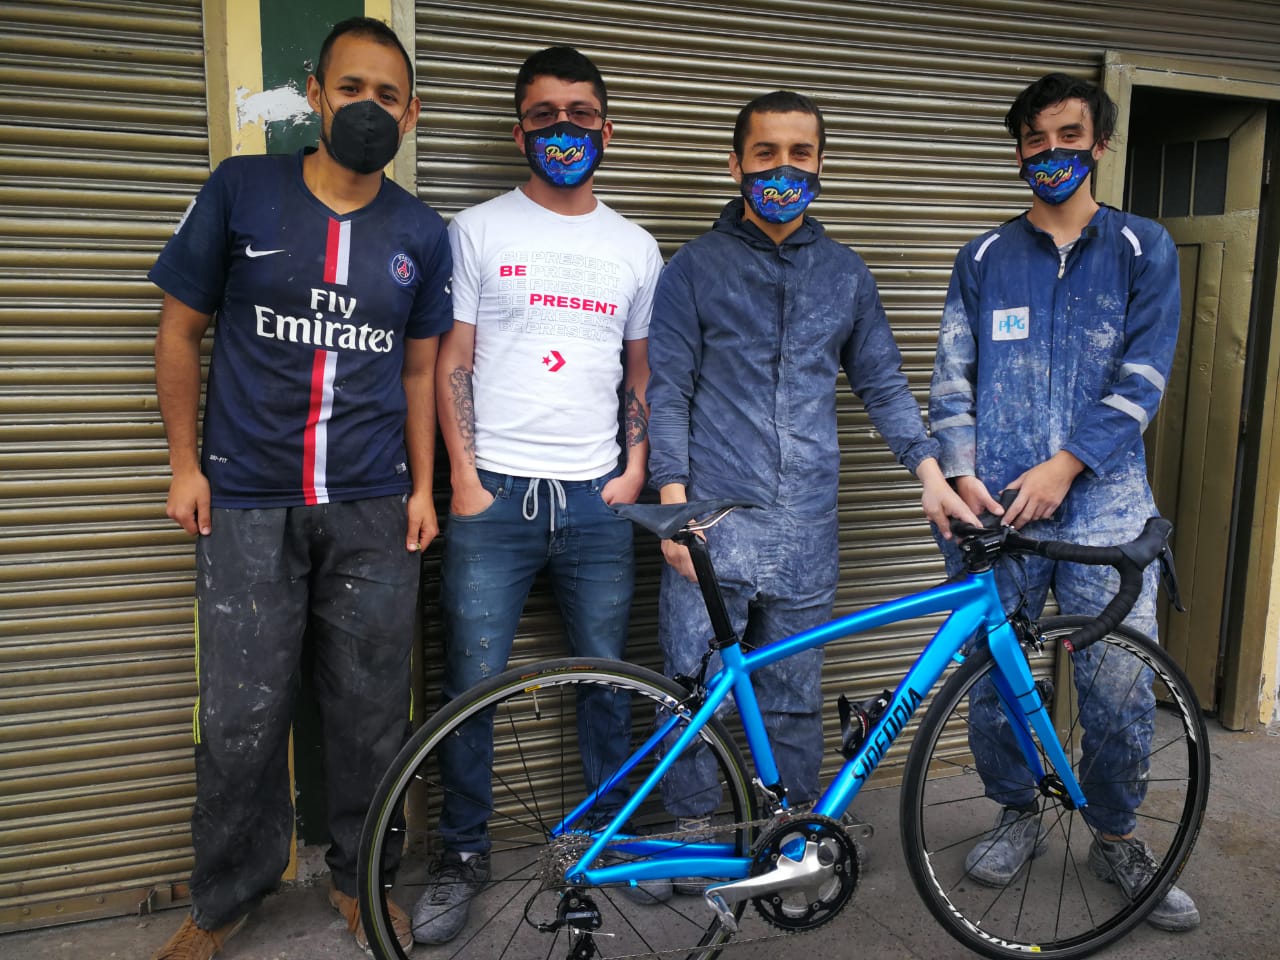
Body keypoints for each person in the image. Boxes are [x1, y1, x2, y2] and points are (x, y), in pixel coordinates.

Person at [146, 18, 452, 960]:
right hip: (247, 501)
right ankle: (225, 897)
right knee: (239, 717)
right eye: (352, 89)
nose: (369, 109)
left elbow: (419, 373)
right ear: (316, 93)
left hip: (373, 505)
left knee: (370, 713)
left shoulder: (421, 232)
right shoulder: (241, 190)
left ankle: (360, 880)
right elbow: (178, 332)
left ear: (410, 113)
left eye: (388, 96)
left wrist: (424, 488)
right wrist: (185, 467)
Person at [646, 91, 978, 852]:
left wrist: (929, 472)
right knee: (692, 690)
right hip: (713, 524)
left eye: (800, 154)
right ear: (736, 164)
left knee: (793, 693)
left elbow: (882, 385)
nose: (783, 169)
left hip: (806, 529)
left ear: (822, 163)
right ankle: (693, 834)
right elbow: (667, 391)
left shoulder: (846, 275)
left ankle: (790, 831)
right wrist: (673, 507)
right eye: (766, 153)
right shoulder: (692, 269)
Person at [928, 72, 1199, 931]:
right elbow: (951, 378)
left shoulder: (1143, 247)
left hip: (1105, 511)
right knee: (994, 685)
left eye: (1069, 137)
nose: (1051, 153)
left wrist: (1066, 466)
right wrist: (961, 472)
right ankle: (1018, 812)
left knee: (1119, 685)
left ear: (1099, 144)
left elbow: (1144, 377)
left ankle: (1116, 834)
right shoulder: (982, 257)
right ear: (1018, 150)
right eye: (1035, 139)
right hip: (997, 512)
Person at [411, 46, 662, 944]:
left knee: (607, 679)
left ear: (608, 129)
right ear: (519, 130)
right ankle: (461, 853)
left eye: (581, 115)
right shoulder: (477, 230)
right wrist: (465, 479)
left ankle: (607, 838)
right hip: (497, 496)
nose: (564, 130)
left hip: (598, 498)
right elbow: (454, 358)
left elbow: (641, 368)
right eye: (545, 115)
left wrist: (632, 472)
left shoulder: (635, 247)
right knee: (471, 686)